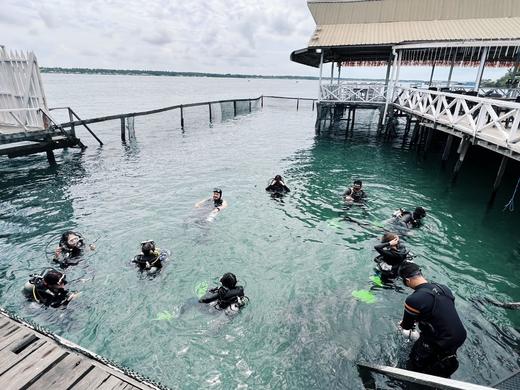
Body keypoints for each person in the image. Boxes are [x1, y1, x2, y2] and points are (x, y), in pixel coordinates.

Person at [398, 262, 467, 378]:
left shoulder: (413, 299)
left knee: (415, 362)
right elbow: (441, 313)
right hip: (459, 337)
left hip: (440, 340)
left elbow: (407, 326)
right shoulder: (444, 288)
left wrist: (403, 323)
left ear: (407, 280)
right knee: (441, 358)